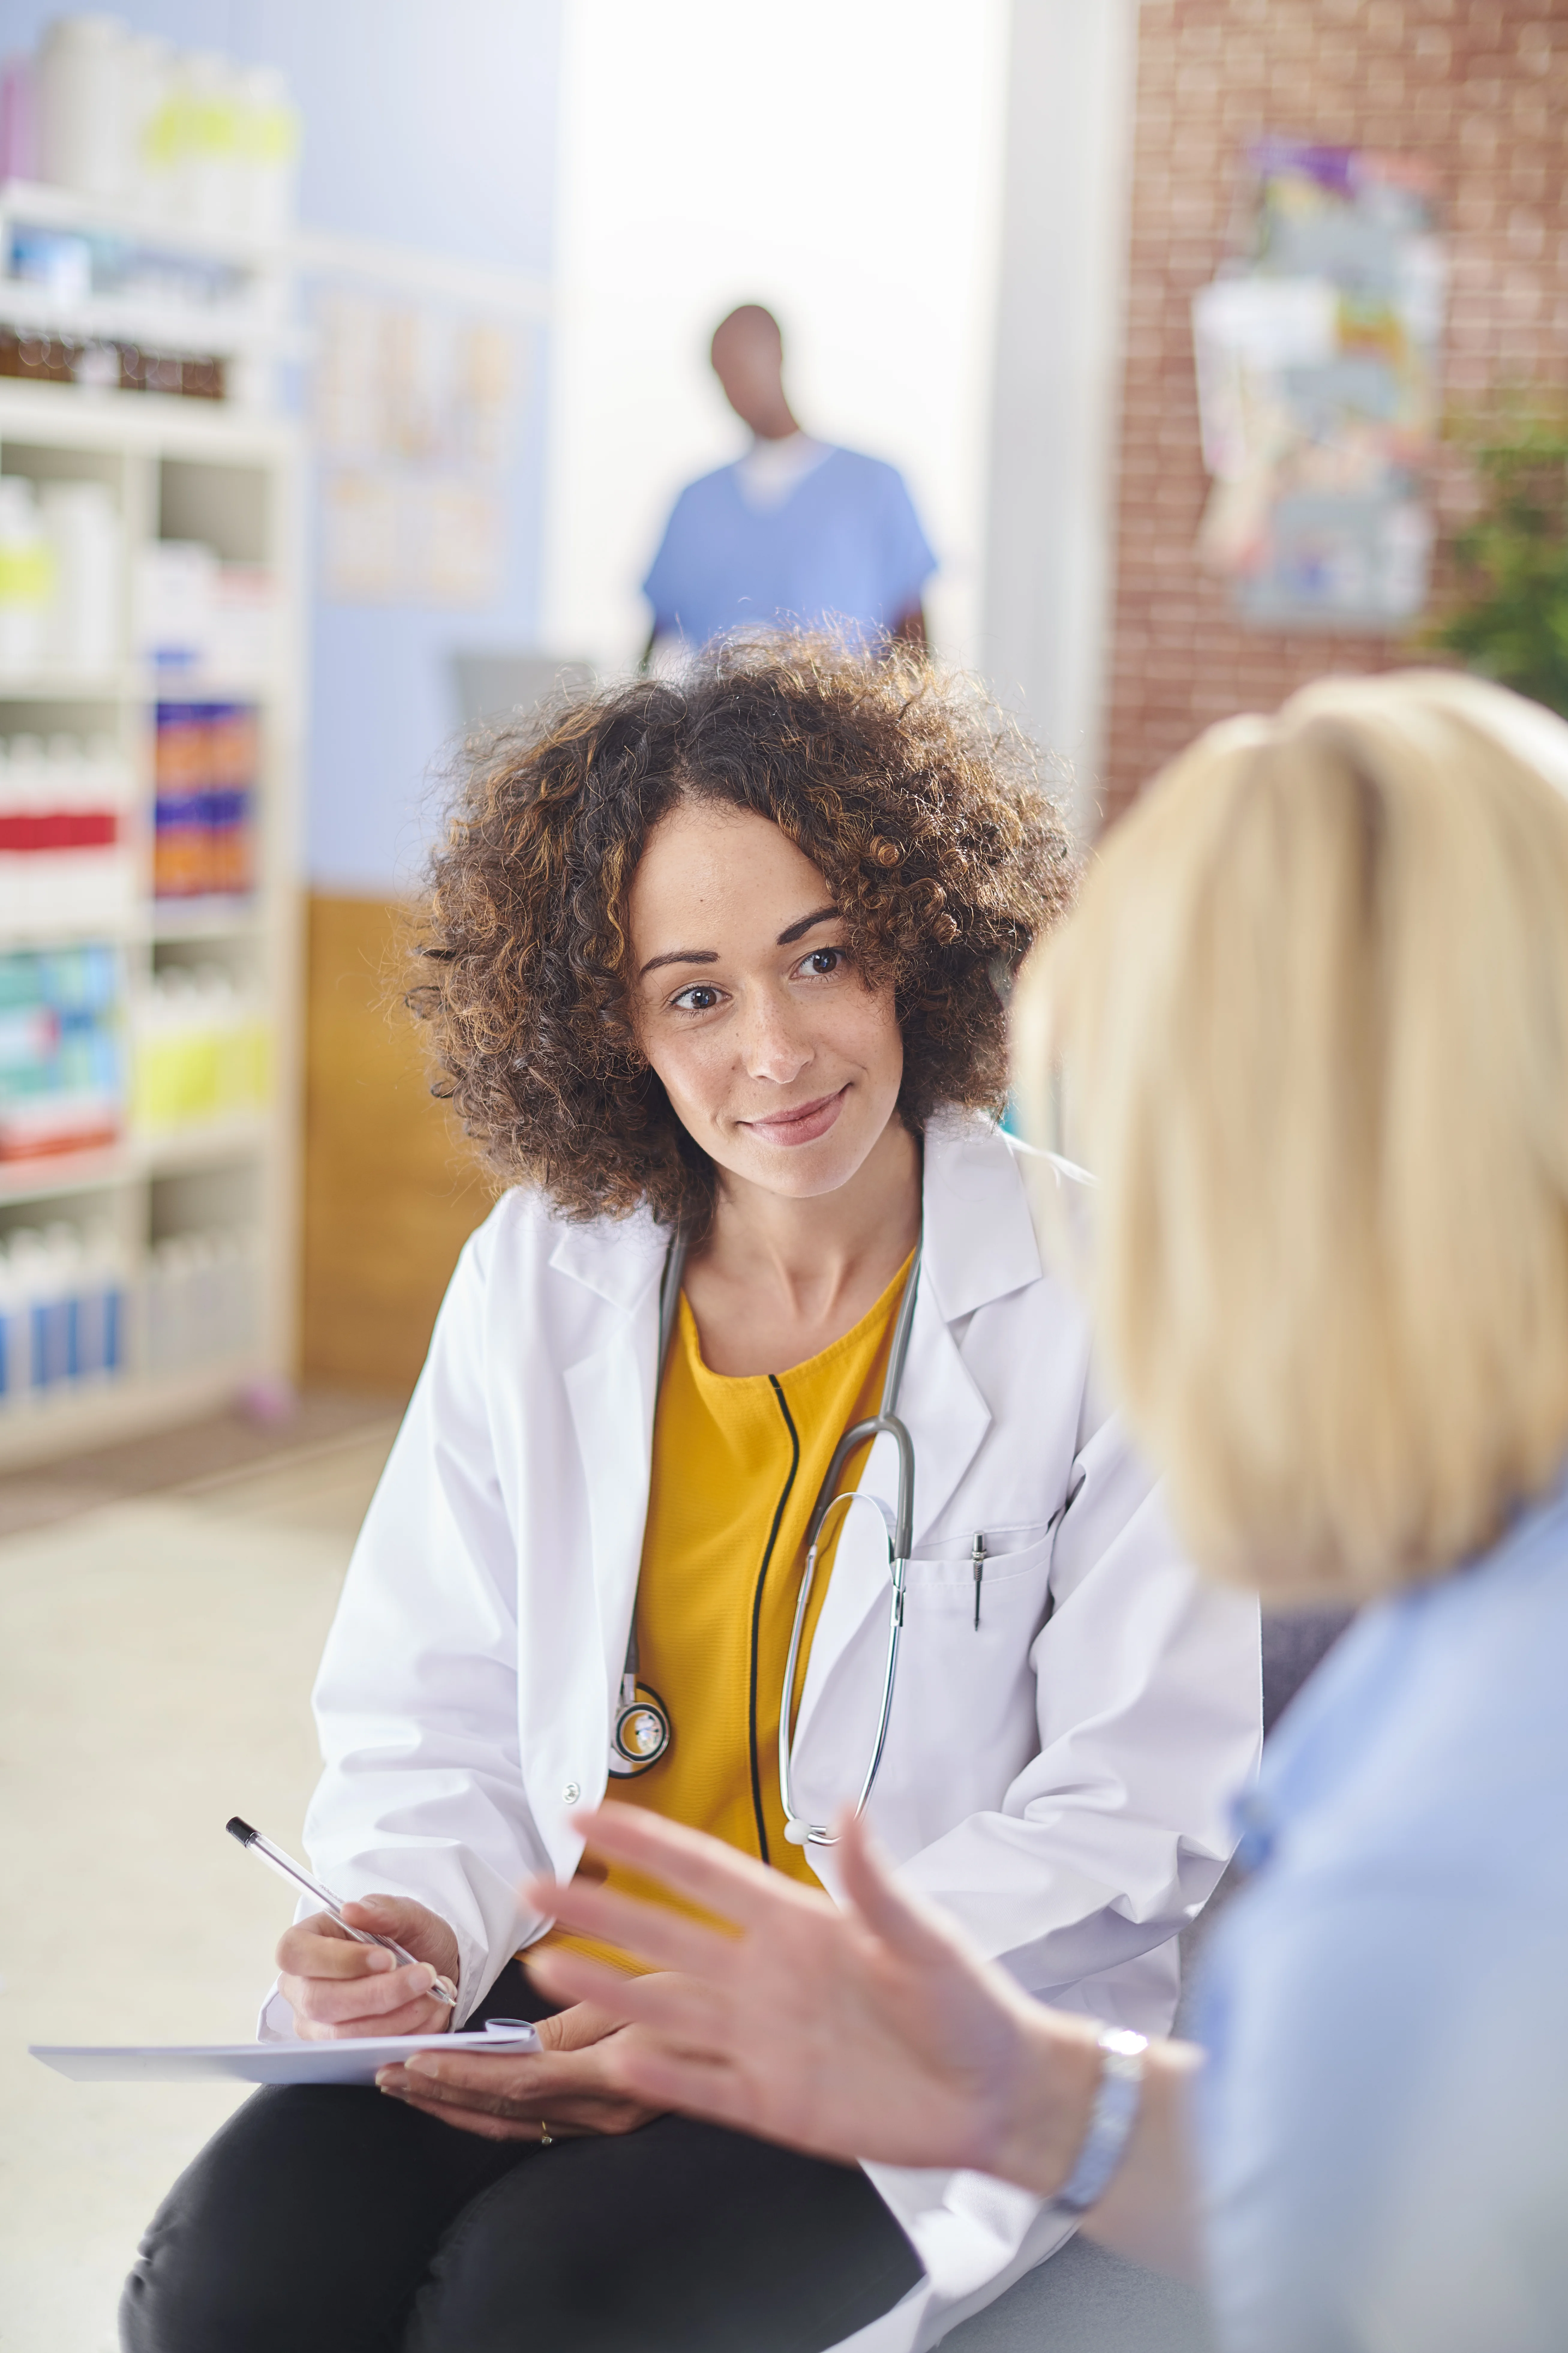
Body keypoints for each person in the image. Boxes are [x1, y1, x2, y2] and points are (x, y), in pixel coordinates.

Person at [120, 635, 1260, 2353]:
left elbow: (1128, 1809)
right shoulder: (548, 1272)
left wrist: (745, 2003)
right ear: (611, 1024)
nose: (776, 1051)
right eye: (695, 992)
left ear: (919, 950)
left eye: (824, 958)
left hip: (911, 2024)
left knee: (536, 2310)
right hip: (549, 1997)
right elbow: (435, 1703)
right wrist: (415, 1910)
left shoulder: (1112, 1290)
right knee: (234, 2288)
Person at [521, 670, 1568, 2353]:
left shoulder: (1438, 1869)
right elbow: (1331, 2177)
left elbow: (1372, 2234)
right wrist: (1030, 2093)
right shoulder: (1469, 1635)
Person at [641, 304, 936, 659]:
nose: (736, 387)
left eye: (743, 366)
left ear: (777, 355)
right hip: (719, 713)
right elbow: (656, 637)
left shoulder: (874, 485)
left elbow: (911, 632)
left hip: (842, 711)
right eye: (723, 375)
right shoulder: (695, 502)